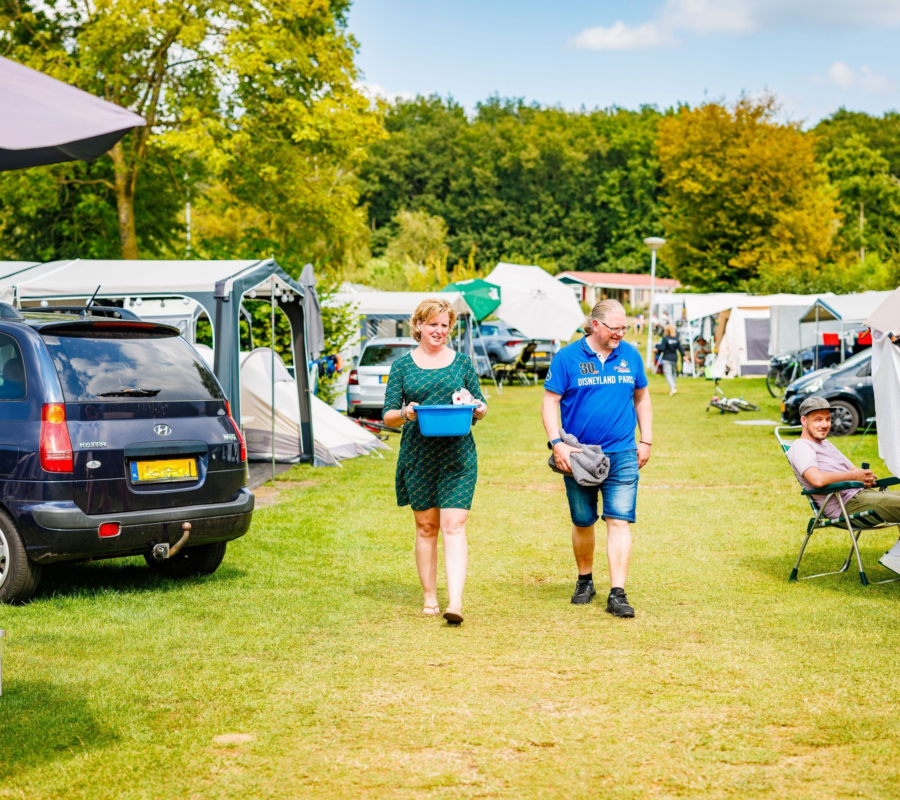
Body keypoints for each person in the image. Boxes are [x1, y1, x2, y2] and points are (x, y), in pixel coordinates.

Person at [541, 298, 653, 618]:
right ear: (594, 325)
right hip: (578, 454)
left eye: (624, 328)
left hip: (622, 451)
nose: (620, 333)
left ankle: (617, 593)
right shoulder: (566, 358)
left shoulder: (630, 355)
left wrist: (645, 440)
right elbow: (550, 403)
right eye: (615, 328)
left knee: (619, 519)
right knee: (583, 520)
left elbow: (642, 397)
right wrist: (556, 444)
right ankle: (585, 580)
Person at [383, 298, 488, 623]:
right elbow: (387, 416)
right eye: (433, 324)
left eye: (444, 325)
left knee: (453, 526)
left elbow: (478, 402)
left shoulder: (462, 363)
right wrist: (405, 413)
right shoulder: (402, 367)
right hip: (418, 455)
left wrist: (481, 408)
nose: (439, 331)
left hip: (457, 455)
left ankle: (454, 602)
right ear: (418, 326)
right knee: (426, 527)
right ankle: (430, 598)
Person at [787, 396, 900, 575]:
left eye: (827, 419)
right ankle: (896, 557)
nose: (824, 424)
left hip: (861, 495)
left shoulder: (827, 444)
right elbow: (816, 479)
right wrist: (854, 476)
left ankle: (897, 556)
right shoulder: (801, 447)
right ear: (803, 420)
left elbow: (853, 469)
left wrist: (865, 478)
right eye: (818, 419)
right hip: (845, 504)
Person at [656, 324, 685, 396]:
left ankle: (672, 387)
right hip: (674, 358)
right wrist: (683, 355)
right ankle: (673, 386)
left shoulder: (665, 339)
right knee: (673, 373)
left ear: (667, 331)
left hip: (667, 358)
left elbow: (662, 348)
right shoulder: (676, 339)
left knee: (668, 373)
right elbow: (680, 348)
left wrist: (656, 349)